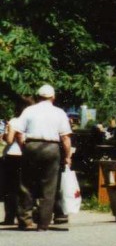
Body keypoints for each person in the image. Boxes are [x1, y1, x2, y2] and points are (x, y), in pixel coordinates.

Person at [12, 85, 73, 231]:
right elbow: (65, 138)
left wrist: (24, 148)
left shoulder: (29, 110)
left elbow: (19, 133)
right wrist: (68, 156)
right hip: (52, 148)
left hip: (31, 145)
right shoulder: (59, 113)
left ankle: (25, 221)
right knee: (49, 186)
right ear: (53, 97)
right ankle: (43, 223)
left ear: (38, 97)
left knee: (26, 184)